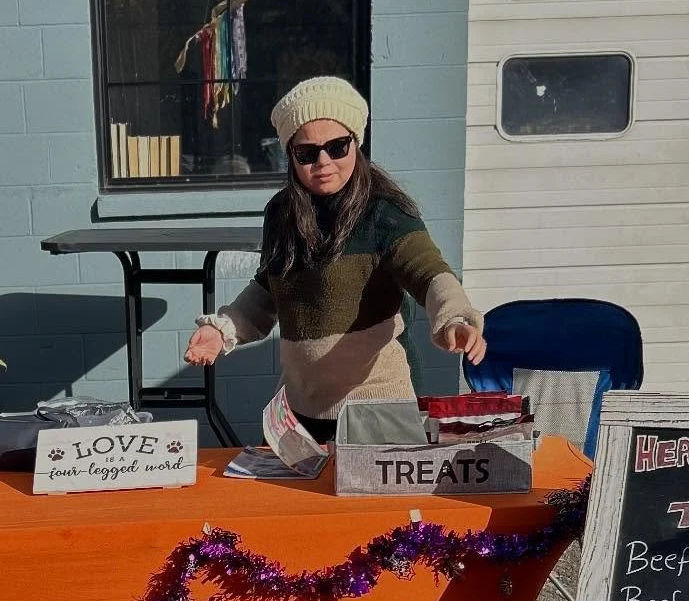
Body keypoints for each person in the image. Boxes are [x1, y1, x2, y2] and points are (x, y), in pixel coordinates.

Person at [184, 77, 486, 443]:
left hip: (376, 412)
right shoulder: (280, 214)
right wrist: (221, 330)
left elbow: (429, 273)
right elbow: (268, 289)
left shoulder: (384, 212)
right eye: (307, 153)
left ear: (356, 144)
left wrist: (455, 317)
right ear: (290, 156)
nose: (323, 162)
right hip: (297, 415)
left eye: (337, 147)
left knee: (374, 503)